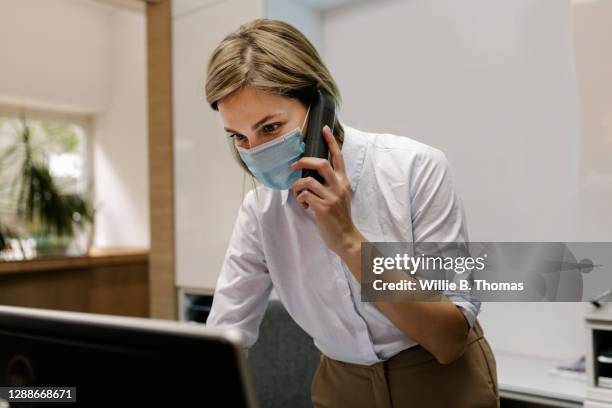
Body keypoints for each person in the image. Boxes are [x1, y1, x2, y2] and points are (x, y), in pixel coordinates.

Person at [204, 18, 499, 408]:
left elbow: (448, 339)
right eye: (240, 137)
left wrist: (348, 242)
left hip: (441, 382)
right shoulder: (260, 212)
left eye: (271, 128)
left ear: (319, 104)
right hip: (341, 386)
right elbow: (226, 334)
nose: (255, 150)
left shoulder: (414, 168)